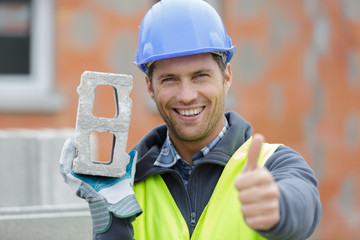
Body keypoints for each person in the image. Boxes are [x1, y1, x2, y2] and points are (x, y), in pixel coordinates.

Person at [60, 0, 321, 239]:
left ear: (226, 77)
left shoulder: (274, 165)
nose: (186, 96)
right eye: (170, 79)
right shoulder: (126, 188)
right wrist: (112, 224)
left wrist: (277, 206)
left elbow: (303, 204)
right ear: (150, 88)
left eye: (200, 76)